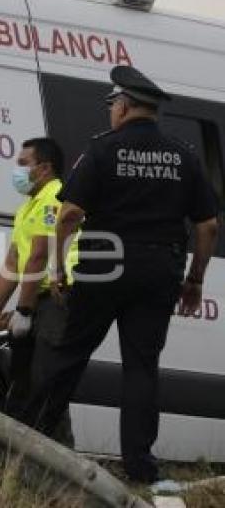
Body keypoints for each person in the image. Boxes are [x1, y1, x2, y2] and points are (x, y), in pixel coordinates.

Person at [22, 66, 220, 483]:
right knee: (141, 366)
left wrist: (59, 269)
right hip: (158, 270)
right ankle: (141, 468)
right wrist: (195, 280)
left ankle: (28, 450)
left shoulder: (102, 150)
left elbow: (70, 213)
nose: (111, 113)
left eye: (113, 106)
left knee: (70, 356)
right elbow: (208, 226)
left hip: (102, 267)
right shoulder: (183, 154)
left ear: (124, 106)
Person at [0, 138, 76, 443]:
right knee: (22, 379)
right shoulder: (28, 206)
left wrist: (23, 311)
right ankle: (16, 458)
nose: (18, 169)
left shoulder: (54, 197)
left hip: (55, 298)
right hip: (36, 297)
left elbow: (39, 255)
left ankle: (58, 458)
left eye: (24, 163)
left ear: (45, 168)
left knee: (44, 379)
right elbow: (14, 258)